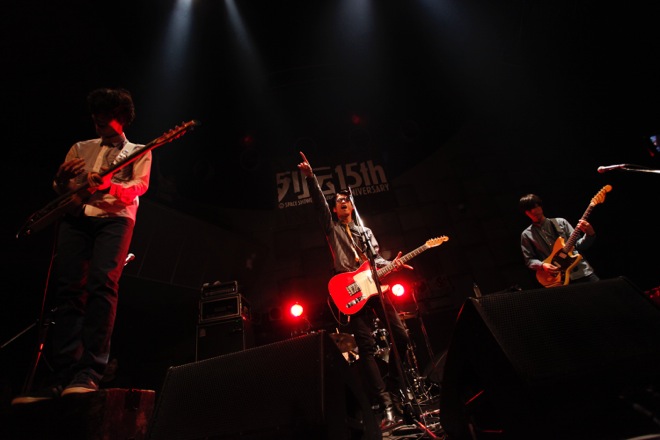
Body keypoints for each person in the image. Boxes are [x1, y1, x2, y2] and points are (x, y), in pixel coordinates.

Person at [12, 87, 152, 404]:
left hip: (115, 219)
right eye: (95, 117)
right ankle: (61, 376)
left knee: (102, 285)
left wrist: (109, 185)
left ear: (122, 118)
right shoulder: (80, 147)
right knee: (68, 290)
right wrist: (62, 181)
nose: (98, 122)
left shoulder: (139, 151)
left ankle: (89, 371)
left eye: (106, 118)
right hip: (76, 218)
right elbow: (64, 189)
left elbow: (138, 187)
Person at [297, 152, 412, 431]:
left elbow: (376, 260)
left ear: (352, 206)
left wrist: (392, 264)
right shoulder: (332, 227)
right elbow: (319, 204)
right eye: (338, 201)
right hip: (350, 290)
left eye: (346, 200)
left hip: (374, 287)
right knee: (366, 345)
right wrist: (311, 178)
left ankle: (396, 387)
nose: (342, 202)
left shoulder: (365, 232)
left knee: (401, 335)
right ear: (335, 210)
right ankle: (385, 403)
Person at [519, 193, 599, 286]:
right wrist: (542, 265)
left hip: (581, 272)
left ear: (541, 206)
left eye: (535, 206)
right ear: (526, 213)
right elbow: (529, 260)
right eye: (529, 209)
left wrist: (590, 234)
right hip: (558, 278)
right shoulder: (526, 234)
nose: (533, 211)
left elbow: (579, 245)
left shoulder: (561, 222)